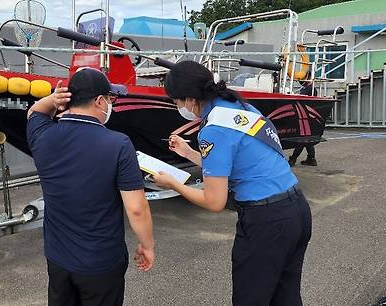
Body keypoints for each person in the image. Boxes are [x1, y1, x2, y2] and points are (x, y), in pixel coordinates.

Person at [152, 61, 312, 306]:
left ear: (190, 99)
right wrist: (189, 153)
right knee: (286, 296)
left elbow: (214, 201)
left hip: (266, 222)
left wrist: (174, 183)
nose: (178, 107)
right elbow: (233, 163)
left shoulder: (213, 129)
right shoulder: (242, 107)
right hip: (296, 210)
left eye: (176, 101)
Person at [26, 68, 155, 306]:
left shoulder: (41, 135)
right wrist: (147, 245)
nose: (110, 105)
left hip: (58, 259)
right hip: (101, 262)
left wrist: (52, 100)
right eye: (109, 99)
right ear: (99, 101)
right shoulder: (118, 144)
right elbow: (136, 207)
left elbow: (34, 112)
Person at [289, 77, 318, 166]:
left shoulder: (311, 89)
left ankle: (293, 158)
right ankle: (311, 158)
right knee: (307, 138)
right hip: (304, 114)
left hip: (306, 115)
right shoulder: (306, 88)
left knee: (302, 138)